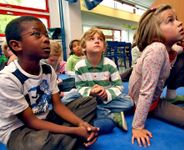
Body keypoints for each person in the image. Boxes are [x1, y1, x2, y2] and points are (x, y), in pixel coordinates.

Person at [0, 16, 99, 150]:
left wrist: (81, 124)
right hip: (20, 130)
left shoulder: (47, 70)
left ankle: (70, 137)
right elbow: (31, 121)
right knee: (40, 145)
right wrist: (74, 130)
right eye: (37, 34)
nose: (46, 39)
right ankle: (77, 135)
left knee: (89, 101)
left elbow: (58, 106)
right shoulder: (8, 78)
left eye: (46, 35)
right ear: (16, 45)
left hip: (46, 118)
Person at [128, 4, 184, 147]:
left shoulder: (166, 49)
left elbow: (178, 50)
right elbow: (146, 92)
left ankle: (173, 97)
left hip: (155, 94)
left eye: (177, 19)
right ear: (155, 33)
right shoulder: (157, 50)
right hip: (147, 103)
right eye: (170, 20)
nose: (179, 23)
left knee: (183, 56)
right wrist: (137, 127)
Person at [75, 27, 133, 131]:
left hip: (105, 98)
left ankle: (98, 111)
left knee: (129, 102)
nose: (97, 41)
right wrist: (91, 91)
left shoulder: (110, 64)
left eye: (100, 39)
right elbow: (79, 87)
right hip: (89, 98)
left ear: (104, 48)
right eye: (92, 39)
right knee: (67, 100)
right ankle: (112, 115)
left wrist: (106, 93)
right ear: (84, 47)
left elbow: (119, 86)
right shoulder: (79, 66)